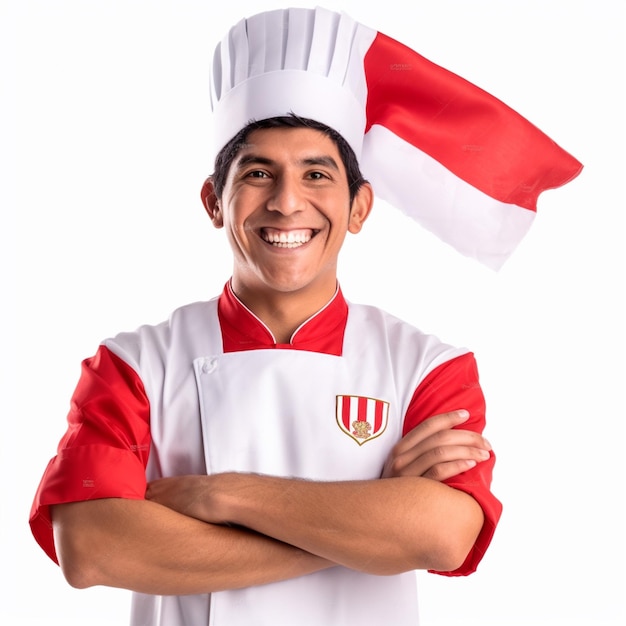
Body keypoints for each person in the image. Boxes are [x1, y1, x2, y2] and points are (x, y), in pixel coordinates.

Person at [29, 8, 582, 626]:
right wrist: (373, 521)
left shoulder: (430, 368)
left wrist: (217, 494)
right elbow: (92, 547)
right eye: (258, 173)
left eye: (316, 174)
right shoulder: (133, 364)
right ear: (215, 202)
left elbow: (446, 535)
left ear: (359, 206)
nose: (288, 202)